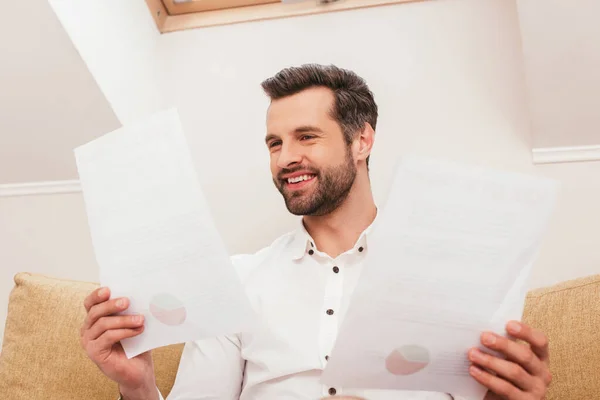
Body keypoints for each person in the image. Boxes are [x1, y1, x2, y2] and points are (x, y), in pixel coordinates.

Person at [80, 64, 552, 400]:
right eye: (274, 143)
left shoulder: (453, 277)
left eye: (306, 136)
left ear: (361, 140)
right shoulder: (235, 281)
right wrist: (137, 387)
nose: (285, 158)